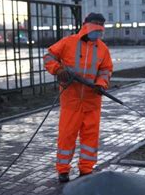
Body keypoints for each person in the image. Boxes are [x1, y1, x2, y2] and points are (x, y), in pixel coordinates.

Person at [43, 13, 113, 183]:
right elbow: (49, 56)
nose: (98, 29)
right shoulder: (68, 42)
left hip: (92, 102)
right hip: (71, 101)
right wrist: (59, 71)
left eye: (101, 26)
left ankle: (86, 170)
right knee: (67, 136)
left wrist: (101, 84)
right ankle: (63, 170)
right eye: (95, 25)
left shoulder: (102, 48)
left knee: (90, 138)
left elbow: (106, 70)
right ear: (85, 25)